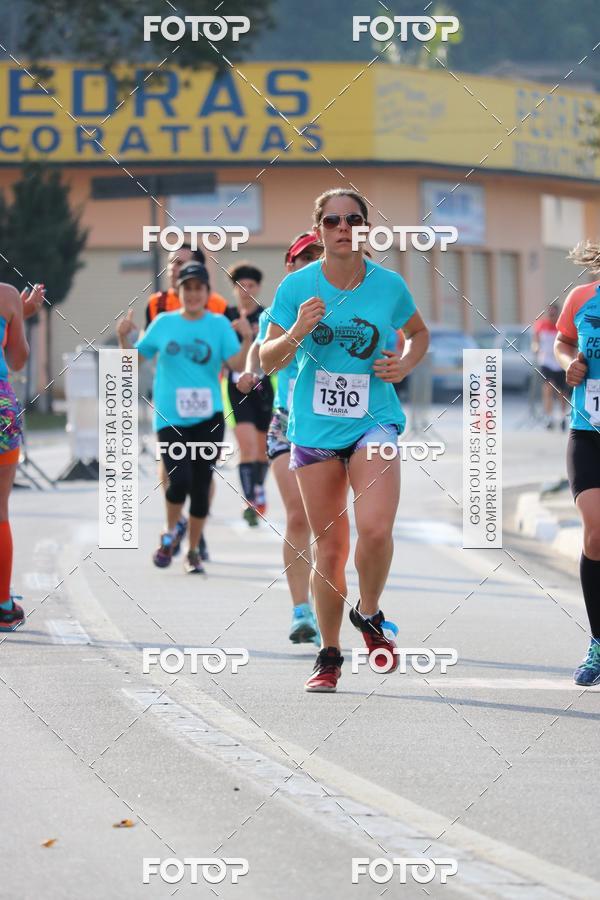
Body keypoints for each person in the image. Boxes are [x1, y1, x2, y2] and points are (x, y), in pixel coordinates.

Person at [260, 189, 429, 692]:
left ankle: (370, 613)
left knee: (375, 529)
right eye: (332, 220)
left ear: (365, 228)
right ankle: (329, 654)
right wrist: (295, 331)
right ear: (319, 229)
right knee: (330, 550)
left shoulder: (388, 285)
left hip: (373, 419)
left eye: (353, 219)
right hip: (313, 430)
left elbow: (418, 333)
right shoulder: (297, 286)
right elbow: (268, 360)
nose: (342, 227)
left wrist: (406, 363)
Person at [117, 261, 251, 574]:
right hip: (170, 416)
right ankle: (170, 530)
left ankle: (192, 550)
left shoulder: (218, 325)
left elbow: (236, 363)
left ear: (207, 292)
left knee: (202, 485)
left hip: (209, 417)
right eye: (186, 288)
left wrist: (246, 339)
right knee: (179, 480)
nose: (192, 294)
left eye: (198, 288)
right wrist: (124, 339)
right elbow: (132, 362)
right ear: (179, 292)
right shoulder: (163, 323)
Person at [237, 233, 323, 644]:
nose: (311, 261)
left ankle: (328, 602)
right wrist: (250, 371)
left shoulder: (345, 303)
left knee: (329, 525)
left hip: (333, 427)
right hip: (287, 423)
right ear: (289, 266)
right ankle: (300, 610)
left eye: (317, 255)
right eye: (303, 257)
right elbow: (258, 349)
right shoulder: (280, 308)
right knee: (298, 516)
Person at [145, 245, 228, 560]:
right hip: (170, 401)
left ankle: (197, 532)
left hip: (207, 400)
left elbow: (229, 348)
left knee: (202, 473)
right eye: (171, 263)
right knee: (172, 468)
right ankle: (177, 523)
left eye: (182, 263)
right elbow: (151, 350)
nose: (174, 268)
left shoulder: (218, 306)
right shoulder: (156, 305)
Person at [555, 241, 600, 685]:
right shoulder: (582, 297)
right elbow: (563, 342)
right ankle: (598, 642)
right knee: (596, 529)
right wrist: (569, 364)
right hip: (588, 430)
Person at [225, 262, 274, 526]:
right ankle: (251, 501)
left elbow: (270, 358)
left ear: (259, 288)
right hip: (234, 388)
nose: (246, 290)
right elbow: (232, 362)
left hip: (263, 387)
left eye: (251, 285)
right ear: (233, 289)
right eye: (241, 285)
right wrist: (245, 339)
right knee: (246, 447)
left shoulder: (268, 316)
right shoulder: (226, 317)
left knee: (262, 450)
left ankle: (258, 488)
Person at [0, 284, 33, 630]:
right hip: (0, 404)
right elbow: (17, 358)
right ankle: (3, 605)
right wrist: (20, 314)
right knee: (0, 508)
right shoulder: (7, 296)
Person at [532, 303, 569, 430]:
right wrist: (535, 348)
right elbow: (535, 341)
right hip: (546, 362)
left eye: (554, 313)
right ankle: (549, 417)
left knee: (561, 392)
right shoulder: (541, 325)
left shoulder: (562, 326)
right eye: (550, 313)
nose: (551, 316)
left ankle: (563, 416)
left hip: (559, 362)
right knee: (547, 388)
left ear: (557, 314)